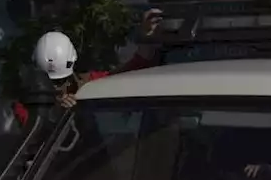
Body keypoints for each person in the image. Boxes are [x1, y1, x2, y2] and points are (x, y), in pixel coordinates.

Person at [11, 9, 164, 128]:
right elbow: (33, 138)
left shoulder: (87, 84)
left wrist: (147, 34)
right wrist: (54, 112)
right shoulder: (27, 104)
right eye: (52, 79)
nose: (59, 85)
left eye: (62, 79)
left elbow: (131, 70)